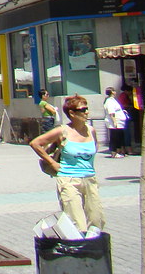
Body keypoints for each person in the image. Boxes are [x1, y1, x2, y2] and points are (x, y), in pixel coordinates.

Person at [30, 95, 105, 233]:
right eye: (83, 109)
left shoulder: (91, 131)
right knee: (77, 224)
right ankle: (80, 252)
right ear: (72, 113)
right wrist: (52, 163)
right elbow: (35, 143)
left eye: (87, 108)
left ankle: (92, 250)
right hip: (69, 180)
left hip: (90, 179)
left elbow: (94, 149)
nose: (87, 112)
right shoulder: (62, 131)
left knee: (96, 221)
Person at [103, 88, 128, 158]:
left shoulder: (113, 100)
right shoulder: (109, 101)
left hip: (120, 121)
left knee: (119, 136)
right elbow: (111, 112)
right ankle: (114, 152)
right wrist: (114, 121)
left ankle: (119, 151)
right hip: (114, 121)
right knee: (114, 137)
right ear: (112, 92)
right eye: (113, 91)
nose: (115, 92)